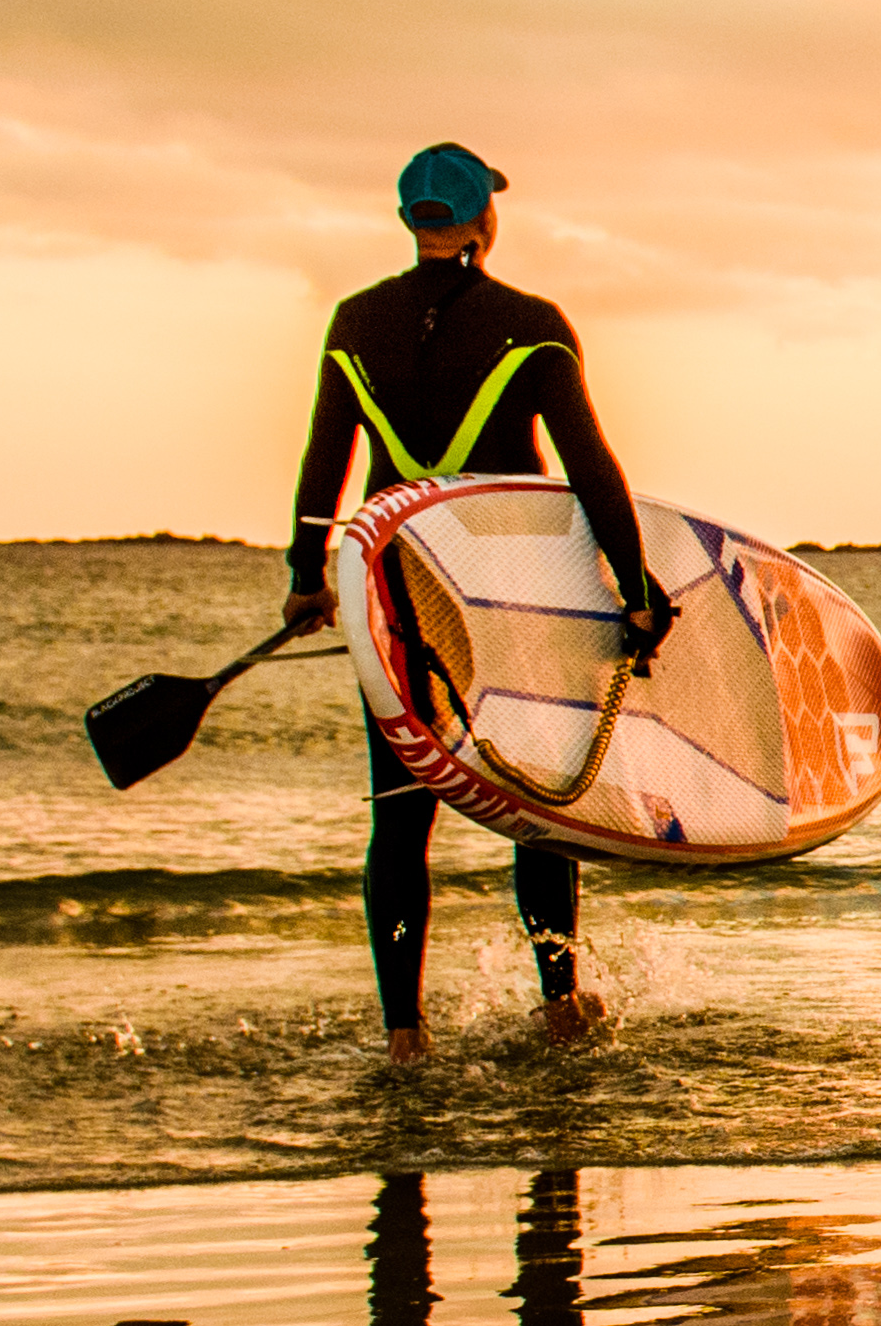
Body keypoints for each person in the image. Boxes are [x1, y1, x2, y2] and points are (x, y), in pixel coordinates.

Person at [283, 140, 665, 1051]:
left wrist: (305, 579)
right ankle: (560, 1003)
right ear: (484, 218)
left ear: (411, 219)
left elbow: (324, 462)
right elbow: (590, 469)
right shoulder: (530, 324)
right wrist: (637, 585)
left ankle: (404, 1035)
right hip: (509, 592)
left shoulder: (355, 321)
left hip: (397, 592)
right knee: (536, 814)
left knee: (399, 816)